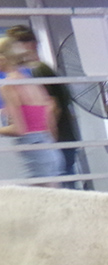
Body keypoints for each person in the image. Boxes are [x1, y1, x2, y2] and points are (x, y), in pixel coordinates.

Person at [6, 24, 80, 188]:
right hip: (56, 141)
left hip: (55, 141)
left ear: (29, 45)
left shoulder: (37, 71)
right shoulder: (33, 72)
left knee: (60, 193)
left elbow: (52, 108)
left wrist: (48, 143)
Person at [0, 36, 64, 186]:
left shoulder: (9, 86)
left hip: (33, 152)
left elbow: (20, 129)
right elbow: (50, 115)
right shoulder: (32, 83)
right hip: (50, 150)